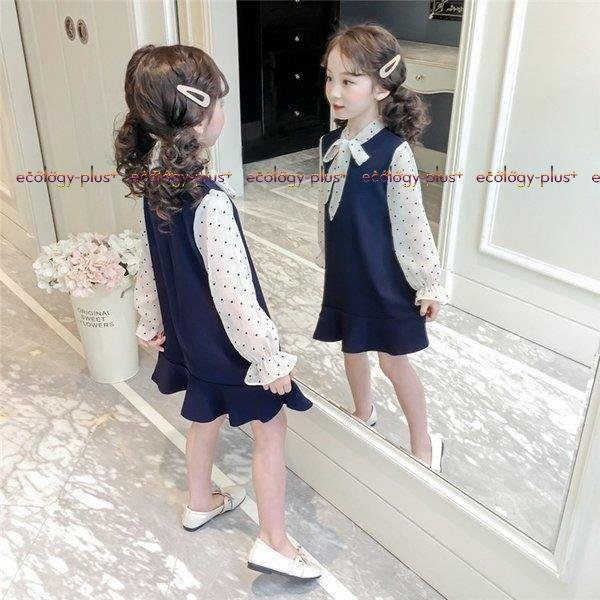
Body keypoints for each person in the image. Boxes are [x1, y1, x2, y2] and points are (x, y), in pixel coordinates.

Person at [114, 44, 320, 580]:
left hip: (189, 338)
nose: (224, 110)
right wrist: (268, 358)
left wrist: (151, 320)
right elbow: (235, 296)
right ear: (201, 113)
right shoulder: (210, 201)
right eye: (221, 101)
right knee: (269, 430)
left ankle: (200, 500)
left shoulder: (155, 188)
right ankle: (275, 542)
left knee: (202, 416)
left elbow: (147, 260)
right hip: (231, 348)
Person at [313, 24, 449, 473]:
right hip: (347, 272)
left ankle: (424, 441)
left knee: (393, 361)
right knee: (351, 347)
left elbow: (412, 224)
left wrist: (428, 282)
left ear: (381, 87)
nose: (335, 91)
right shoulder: (329, 144)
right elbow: (326, 210)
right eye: (330, 78)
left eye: (348, 81)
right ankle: (363, 411)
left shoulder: (395, 153)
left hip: (383, 276)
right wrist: (327, 255)